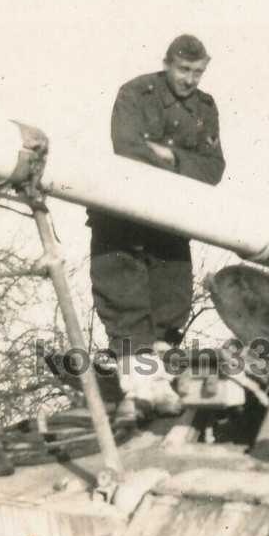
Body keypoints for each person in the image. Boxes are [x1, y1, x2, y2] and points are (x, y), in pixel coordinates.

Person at [86, 34, 225, 417]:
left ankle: (159, 388)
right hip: (125, 215)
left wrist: (167, 156)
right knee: (125, 301)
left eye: (198, 72)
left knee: (170, 305)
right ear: (167, 64)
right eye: (184, 70)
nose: (190, 80)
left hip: (170, 220)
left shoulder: (204, 108)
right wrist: (181, 162)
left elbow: (213, 168)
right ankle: (140, 390)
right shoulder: (136, 93)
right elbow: (128, 148)